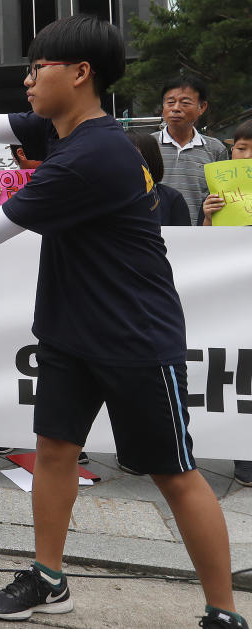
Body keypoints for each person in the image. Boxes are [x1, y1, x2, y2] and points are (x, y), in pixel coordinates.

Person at [0, 16, 247, 628]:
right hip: (70, 329)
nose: (27, 78)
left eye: (37, 67)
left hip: (135, 337)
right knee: (55, 450)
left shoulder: (93, 155)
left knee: (174, 473)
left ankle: (223, 612)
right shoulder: (62, 129)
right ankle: (49, 577)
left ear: (79, 73)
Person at [200, 119, 252, 489]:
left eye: (250, 150)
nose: (243, 155)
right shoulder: (218, 197)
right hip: (234, 304)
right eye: (240, 148)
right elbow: (204, 252)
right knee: (239, 372)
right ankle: (244, 458)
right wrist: (207, 217)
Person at [151, 76, 229, 225]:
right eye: (170, 102)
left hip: (200, 238)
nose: (175, 108)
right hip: (156, 237)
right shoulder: (148, 146)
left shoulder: (216, 149)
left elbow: (221, 198)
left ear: (202, 107)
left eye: (185, 103)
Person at [126, 131, 191, 226]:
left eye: (134, 156)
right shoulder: (107, 196)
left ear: (150, 159)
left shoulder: (171, 198)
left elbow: (184, 237)